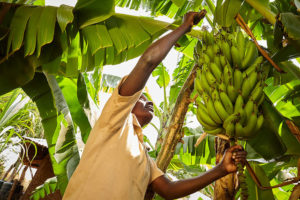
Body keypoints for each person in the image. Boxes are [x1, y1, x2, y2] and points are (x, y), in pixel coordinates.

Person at [62, 10, 247, 200]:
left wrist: (221, 169)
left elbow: (169, 190)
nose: (149, 101)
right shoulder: (115, 119)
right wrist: (183, 28)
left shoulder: (145, 159)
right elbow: (147, 62)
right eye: (141, 98)